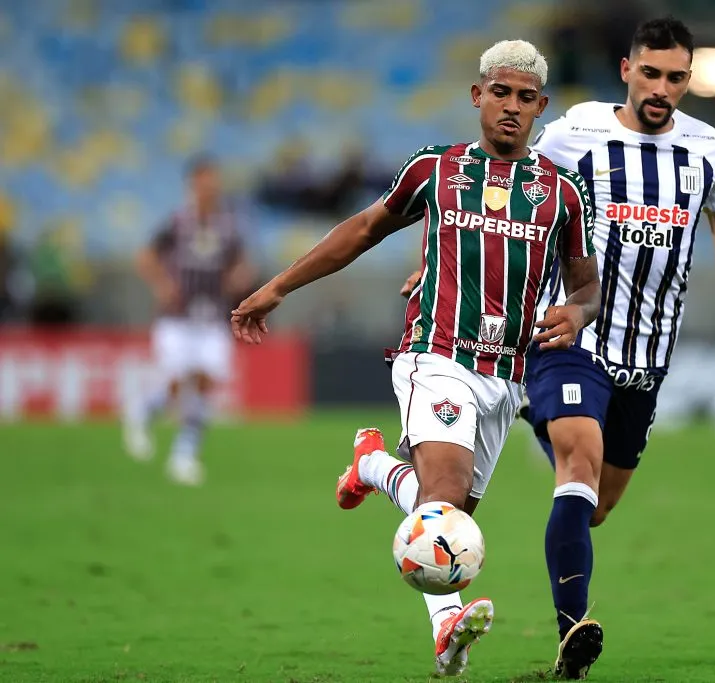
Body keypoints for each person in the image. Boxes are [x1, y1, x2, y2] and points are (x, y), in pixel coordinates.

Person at [394, 17, 715, 679]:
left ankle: (496, 417)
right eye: (651, 73)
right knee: (578, 457)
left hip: (648, 356)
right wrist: (438, 261)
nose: (662, 88)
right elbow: (499, 186)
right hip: (572, 335)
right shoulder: (574, 134)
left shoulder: (709, 149)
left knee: (593, 504)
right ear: (627, 70)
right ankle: (573, 634)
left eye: (676, 77)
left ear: (689, 79)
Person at [231, 40, 600, 678]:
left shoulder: (561, 195)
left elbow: (586, 284)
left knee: (447, 519)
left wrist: (578, 313)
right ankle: (449, 624)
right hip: (435, 353)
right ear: (477, 96)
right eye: (500, 93)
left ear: (541, 106)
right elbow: (364, 228)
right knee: (445, 497)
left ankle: (373, 466)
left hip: (506, 380)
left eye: (525, 97)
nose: (511, 107)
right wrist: (277, 288)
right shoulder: (436, 168)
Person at [122, 155, 254, 486]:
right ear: (193, 184)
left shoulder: (228, 225)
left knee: (206, 383)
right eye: (205, 180)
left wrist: (239, 278)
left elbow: (242, 264)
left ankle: (183, 453)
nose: (211, 186)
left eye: (214, 180)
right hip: (177, 319)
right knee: (178, 384)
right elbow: (145, 256)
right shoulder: (177, 221)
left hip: (212, 318)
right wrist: (162, 284)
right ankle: (145, 413)